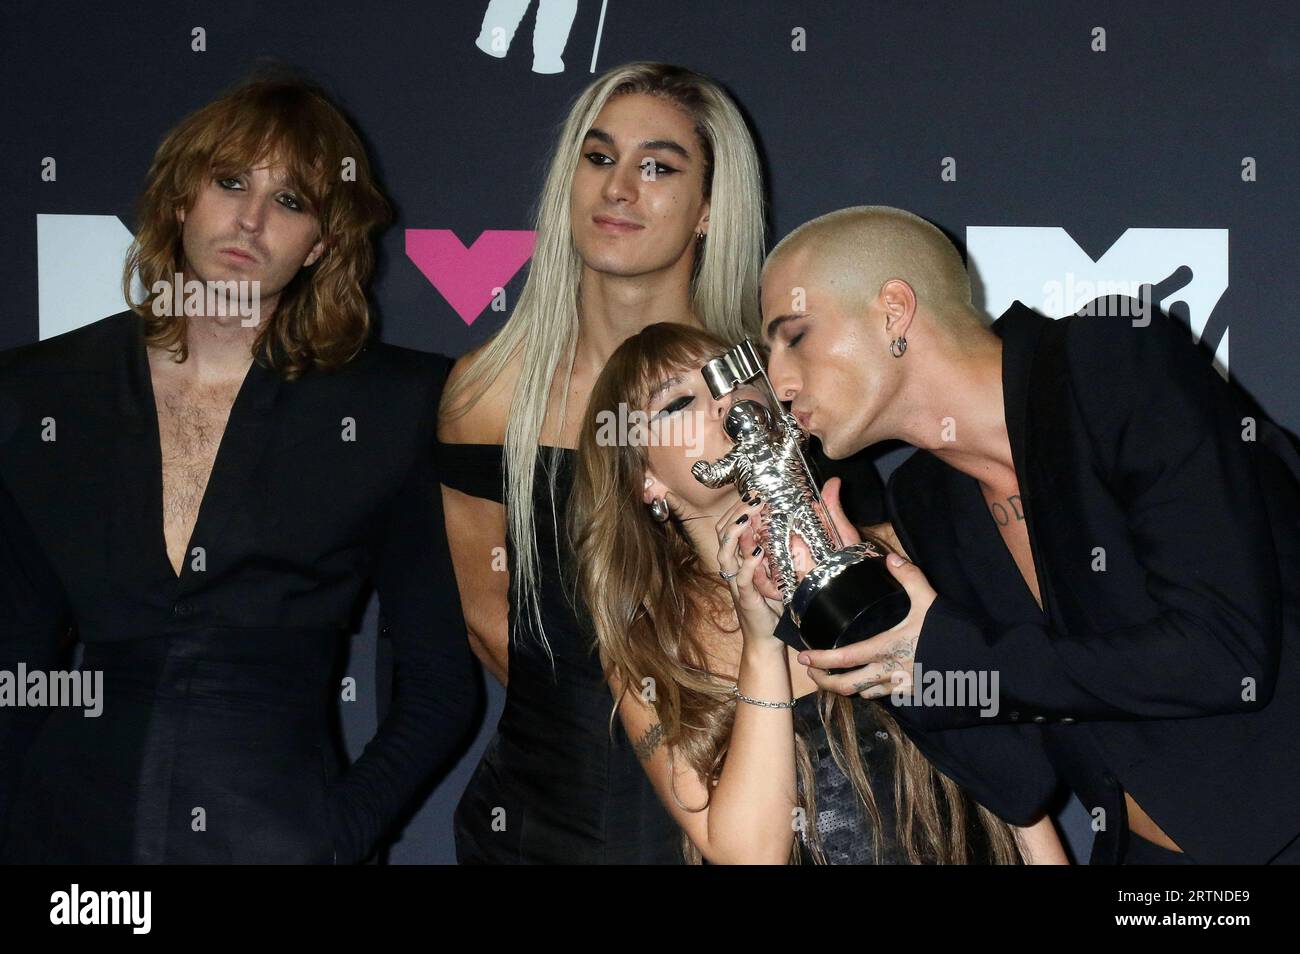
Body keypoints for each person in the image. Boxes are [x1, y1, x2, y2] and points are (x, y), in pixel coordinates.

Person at [0, 73, 477, 864]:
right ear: (183, 199)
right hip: (64, 842)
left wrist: (338, 832)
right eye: (230, 183)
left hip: (274, 832)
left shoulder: (392, 411)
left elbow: (438, 685)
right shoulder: (43, 392)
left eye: (290, 202)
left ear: (321, 244)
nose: (250, 220)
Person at [438, 62, 886, 863]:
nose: (619, 189)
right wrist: (635, 725)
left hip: (742, 805)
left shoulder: (774, 393)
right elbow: (487, 617)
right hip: (543, 819)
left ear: (710, 207)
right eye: (598, 156)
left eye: (658, 167)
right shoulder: (486, 394)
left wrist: (715, 745)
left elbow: (866, 624)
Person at [758, 205, 1300, 864]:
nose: (778, 383)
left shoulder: (1107, 356)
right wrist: (871, 628)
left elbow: (1222, 654)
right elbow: (1020, 781)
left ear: (893, 311)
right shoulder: (928, 502)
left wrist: (943, 653)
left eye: (795, 335)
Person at [567, 321, 1067, 864]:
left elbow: (1010, 786)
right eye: (678, 402)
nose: (724, 402)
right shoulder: (650, 651)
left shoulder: (898, 555)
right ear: (646, 480)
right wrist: (760, 641)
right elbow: (750, 855)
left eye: (732, 376)